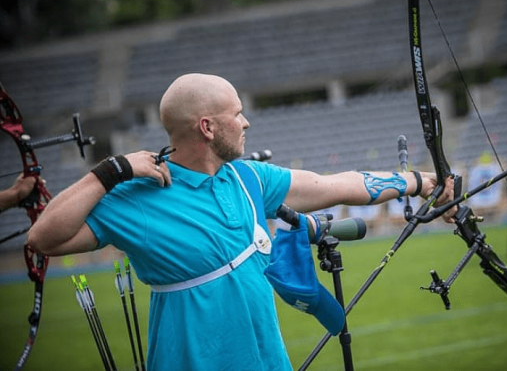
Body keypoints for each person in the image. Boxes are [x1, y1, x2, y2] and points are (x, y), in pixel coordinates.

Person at [28, 73, 456, 371]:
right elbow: (44, 238)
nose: (246, 121)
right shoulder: (139, 196)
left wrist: (419, 181)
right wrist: (110, 171)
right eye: (237, 113)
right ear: (208, 127)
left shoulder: (249, 177)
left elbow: (334, 185)